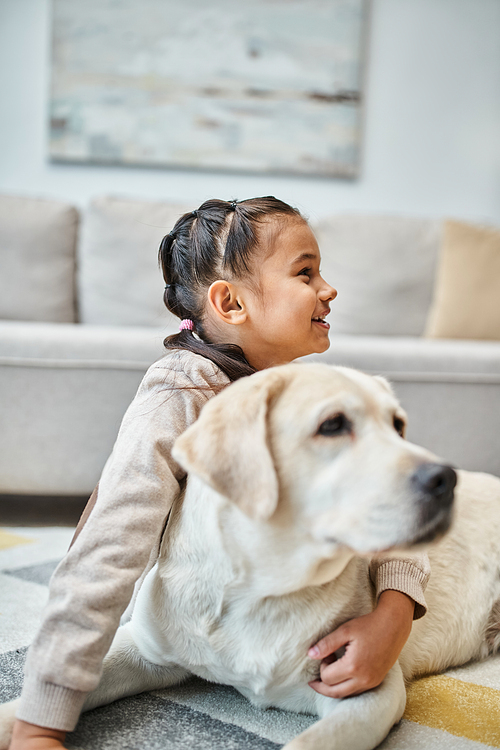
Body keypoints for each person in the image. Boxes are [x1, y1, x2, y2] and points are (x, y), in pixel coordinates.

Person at [10, 197, 429, 749]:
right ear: (230, 302)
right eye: (306, 272)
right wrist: (42, 722)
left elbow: (391, 492)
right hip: (200, 608)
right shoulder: (180, 394)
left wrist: (393, 617)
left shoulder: (309, 398)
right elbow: (107, 547)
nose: (329, 289)